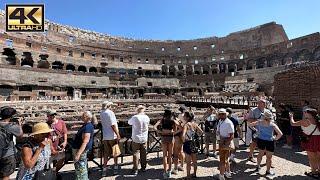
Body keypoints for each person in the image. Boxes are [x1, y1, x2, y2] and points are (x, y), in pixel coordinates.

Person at [249, 111, 283, 176]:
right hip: (270, 141)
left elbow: (250, 125)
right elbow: (280, 134)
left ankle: (258, 166)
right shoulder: (272, 124)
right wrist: (275, 138)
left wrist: (255, 130)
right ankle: (268, 171)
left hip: (261, 140)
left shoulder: (259, 122)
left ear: (264, 117)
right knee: (269, 157)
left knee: (260, 154)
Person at [290, 108, 320, 178]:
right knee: (318, 157)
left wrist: (291, 117)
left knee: (312, 158)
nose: (304, 113)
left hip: (310, 140)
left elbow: (293, 124)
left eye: (305, 112)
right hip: (319, 139)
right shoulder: (318, 120)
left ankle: (314, 172)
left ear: (309, 114)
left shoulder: (305, 121)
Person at [0, 107, 23, 180]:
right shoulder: (11, 126)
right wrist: (19, 124)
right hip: (8, 155)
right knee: (6, 176)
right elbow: (20, 135)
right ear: (11, 116)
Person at [154, 109, 177, 179]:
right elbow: (176, 129)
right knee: (170, 155)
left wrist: (160, 132)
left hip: (164, 137)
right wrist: (172, 132)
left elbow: (154, 127)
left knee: (164, 155)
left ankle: (164, 172)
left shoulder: (162, 120)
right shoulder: (172, 121)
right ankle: (169, 171)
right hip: (170, 137)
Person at [71, 111, 94, 180]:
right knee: (81, 167)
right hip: (80, 149)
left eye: (83, 116)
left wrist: (78, 154)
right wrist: (77, 126)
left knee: (81, 168)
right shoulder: (88, 125)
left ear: (87, 117)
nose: (81, 117)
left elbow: (85, 142)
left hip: (80, 150)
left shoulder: (87, 127)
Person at [128, 105, 150, 175]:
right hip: (144, 138)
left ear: (137, 110)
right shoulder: (147, 117)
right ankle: (143, 168)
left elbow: (129, 122)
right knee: (144, 154)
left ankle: (135, 169)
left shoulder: (135, 117)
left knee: (135, 153)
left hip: (136, 138)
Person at [100, 101, 121, 175]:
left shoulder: (101, 113)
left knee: (106, 153)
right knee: (115, 152)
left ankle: (104, 170)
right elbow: (113, 125)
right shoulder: (110, 113)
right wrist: (118, 134)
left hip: (105, 135)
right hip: (112, 135)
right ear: (109, 106)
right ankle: (115, 168)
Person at [214, 108, 234, 180]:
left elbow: (232, 136)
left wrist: (224, 143)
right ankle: (228, 173)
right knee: (226, 159)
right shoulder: (221, 121)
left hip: (225, 142)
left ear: (225, 114)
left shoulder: (228, 123)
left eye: (222, 114)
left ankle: (221, 175)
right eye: (220, 114)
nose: (221, 115)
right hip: (222, 141)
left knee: (222, 160)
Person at [182, 111, 203, 179]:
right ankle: (194, 174)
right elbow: (201, 132)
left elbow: (183, 135)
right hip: (194, 143)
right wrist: (196, 137)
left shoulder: (186, 125)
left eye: (184, 116)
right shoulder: (195, 124)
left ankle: (188, 176)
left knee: (188, 162)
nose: (183, 117)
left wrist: (183, 141)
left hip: (188, 143)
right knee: (194, 160)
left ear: (187, 117)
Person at [172, 107, 185, 175]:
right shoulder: (179, 120)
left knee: (176, 154)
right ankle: (182, 166)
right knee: (181, 151)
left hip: (177, 137)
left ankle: (176, 169)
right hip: (181, 137)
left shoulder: (175, 121)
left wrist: (174, 133)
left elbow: (181, 128)